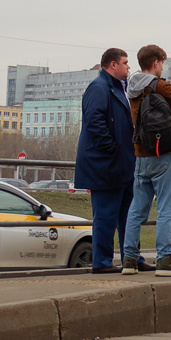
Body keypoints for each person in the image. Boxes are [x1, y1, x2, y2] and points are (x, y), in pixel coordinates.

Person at [123, 45, 171, 277]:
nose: (162, 67)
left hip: (141, 155)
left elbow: (149, 109)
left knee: (136, 210)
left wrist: (170, 90)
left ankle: (129, 260)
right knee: (167, 209)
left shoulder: (132, 86)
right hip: (163, 155)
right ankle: (164, 261)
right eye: (162, 63)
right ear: (156, 62)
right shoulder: (159, 85)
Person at [75, 48, 135, 274]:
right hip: (106, 165)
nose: (128, 67)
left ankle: (132, 258)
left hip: (120, 164)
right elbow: (94, 121)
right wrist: (113, 149)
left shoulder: (117, 88)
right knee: (106, 215)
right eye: (125, 62)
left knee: (129, 215)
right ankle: (101, 262)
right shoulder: (99, 87)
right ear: (113, 65)